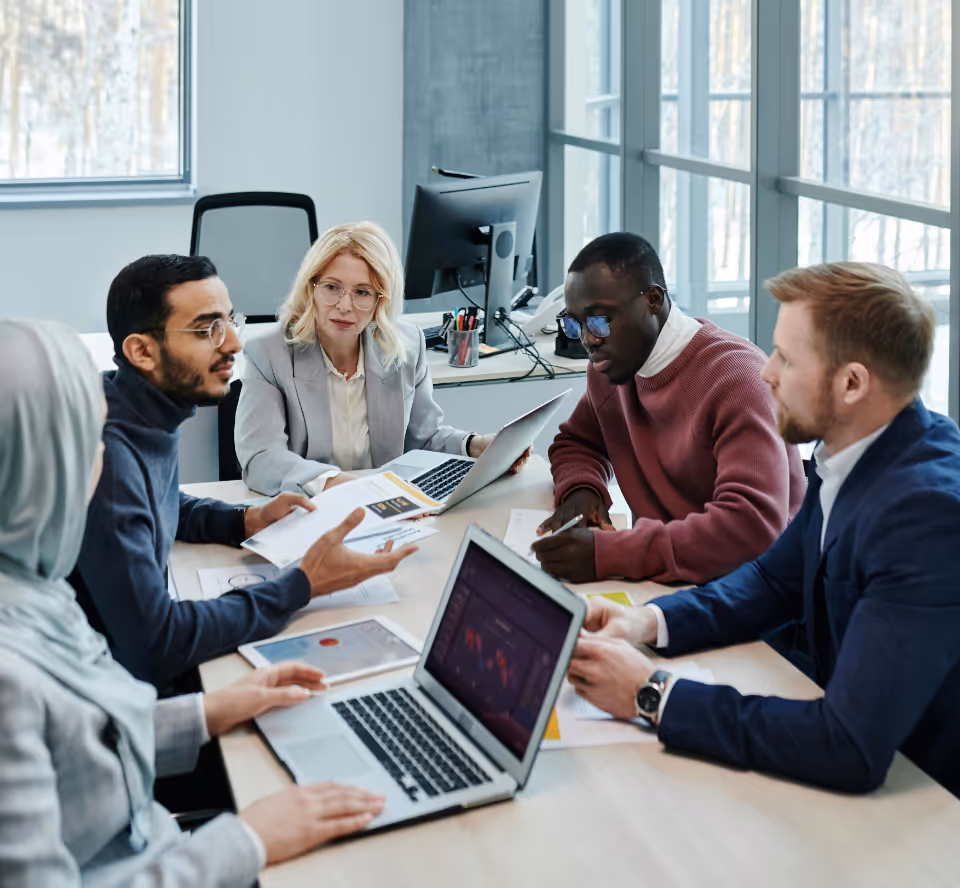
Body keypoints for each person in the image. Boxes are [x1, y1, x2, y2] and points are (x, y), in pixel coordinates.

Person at [0, 318, 387, 885]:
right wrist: (247, 839)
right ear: (37, 467)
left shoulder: (36, 589)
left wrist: (210, 711)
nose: (102, 464)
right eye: (87, 442)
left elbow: (85, 747)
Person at [566, 262, 960, 797]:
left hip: (928, 804)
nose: (766, 371)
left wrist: (650, 693)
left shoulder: (926, 517)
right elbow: (773, 582)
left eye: (787, 358)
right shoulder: (851, 450)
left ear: (852, 383)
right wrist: (644, 623)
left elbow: (847, 748)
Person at [71, 254, 417, 690]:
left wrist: (242, 520)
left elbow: (158, 498)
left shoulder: (134, 404)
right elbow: (157, 642)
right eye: (206, 329)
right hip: (112, 700)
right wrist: (302, 584)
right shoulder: (110, 459)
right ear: (141, 351)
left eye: (229, 320)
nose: (233, 342)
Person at [532, 232, 805, 584]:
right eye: (575, 324)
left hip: (754, 597)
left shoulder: (738, 381)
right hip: (670, 583)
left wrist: (613, 554)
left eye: (600, 321)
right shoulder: (611, 370)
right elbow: (578, 444)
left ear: (652, 300)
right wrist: (581, 492)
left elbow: (750, 528)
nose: (588, 339)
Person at [234, 221, 526, 497]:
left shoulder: (406, 346)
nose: (344, 306)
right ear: (311, 288)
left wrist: (477, 446)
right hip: (308, 510)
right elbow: (262, 458)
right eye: (332, 287)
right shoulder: (269, 353)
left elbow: (422, 439)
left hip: (385, 510)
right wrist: (336, 484)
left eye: (362, 292)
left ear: (380, 301)